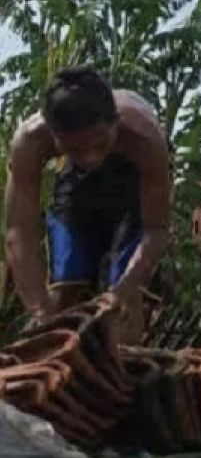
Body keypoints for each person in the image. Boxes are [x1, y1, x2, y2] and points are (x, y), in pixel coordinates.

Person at [5, 66, 171, 345]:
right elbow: (18, 234)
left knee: (123, 307)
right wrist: (42, 313)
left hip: (133, 184)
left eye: (100, 143)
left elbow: (156, 231)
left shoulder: (146, 139)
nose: (92, 158)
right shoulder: (30, 141)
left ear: (115, 122)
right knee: (65, 289)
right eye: (76, 149)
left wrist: (122, 291)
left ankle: (124, 376)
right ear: (54, 135)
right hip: (76, 183)